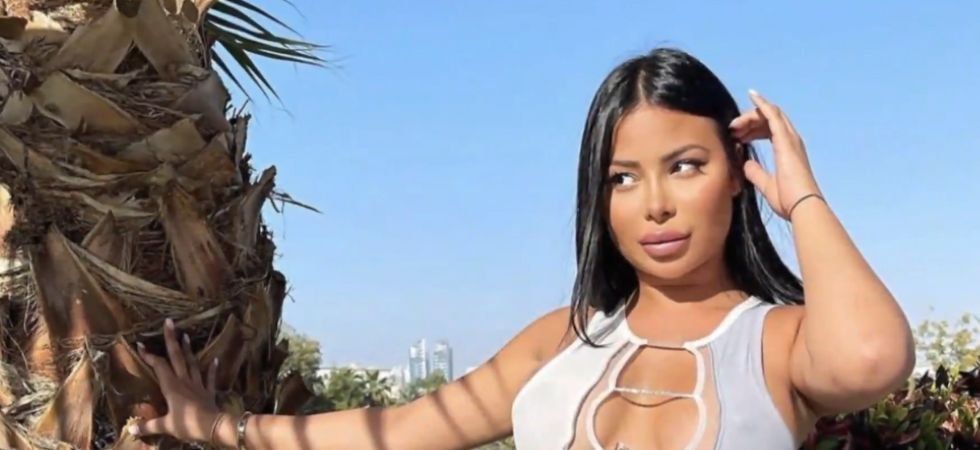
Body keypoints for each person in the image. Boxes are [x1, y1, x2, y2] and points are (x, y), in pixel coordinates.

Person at [128, 47, 915, 449]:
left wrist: (801, 195)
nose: (656, 203)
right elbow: (397, 433)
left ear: (737, 175)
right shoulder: (564, 339)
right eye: (623, 178)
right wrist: (217, 427)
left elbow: (873, 358)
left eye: (686, 166)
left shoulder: (775, 342)